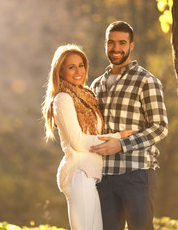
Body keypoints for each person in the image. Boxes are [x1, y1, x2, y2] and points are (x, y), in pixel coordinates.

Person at [42, 44, 132, 230]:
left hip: (90, 174)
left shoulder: (87, 97)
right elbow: (78, 141)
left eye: (81, 65)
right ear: (60, 71)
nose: (78, 71)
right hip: (78, 173)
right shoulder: (63, 99)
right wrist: (117, 137)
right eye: (71, 66)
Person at [89, 21, 169, 230]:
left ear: (131, 46)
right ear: (105, 44)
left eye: (122, 43)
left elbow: (159, 127)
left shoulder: (146, 81)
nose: (116, 49)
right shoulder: (96, 85)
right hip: (103, 176)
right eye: (111, 43)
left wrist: (122, 144)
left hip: (137, 173)